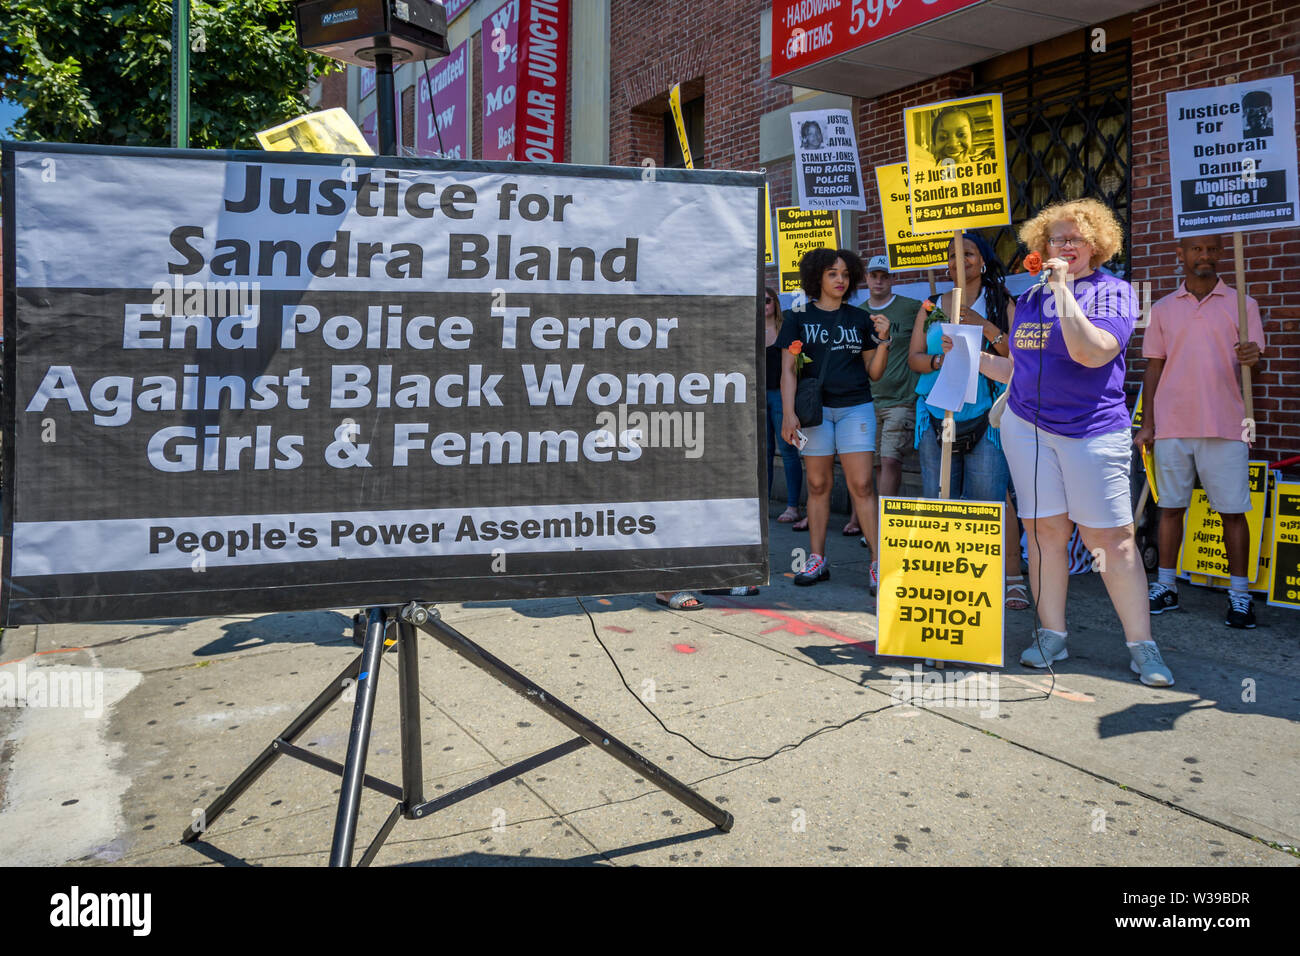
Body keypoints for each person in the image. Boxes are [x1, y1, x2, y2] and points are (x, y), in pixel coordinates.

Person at [978, 198, 1175, 686]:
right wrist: (969, 356)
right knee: (1044, 533)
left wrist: (1064, 292)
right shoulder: (1027, 300)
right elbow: (1019, 371)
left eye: (1074, 239)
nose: (1063, 246)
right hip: (1028, 429)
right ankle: (1051, 633)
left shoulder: (1114, 293)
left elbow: (1091, 354)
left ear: (1096, 245)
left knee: (1110, 539)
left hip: (1090, 431)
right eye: (1055, 239)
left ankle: (1141, 645)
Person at [1135, 233, 1265, 628]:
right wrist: (1148, 424)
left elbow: (1257, 367)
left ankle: (1240, 595)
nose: (1204, 255)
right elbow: (1153, 368)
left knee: (1232, 513)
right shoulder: (1161, 309)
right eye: (1196, 249)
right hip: (1173, 425)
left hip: (1226, 424)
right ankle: (1167, 586)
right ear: (1181, 254)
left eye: (1211, 249)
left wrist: (1253, 357)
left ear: (1222, 254)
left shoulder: (1244, 306)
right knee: (1171, 508)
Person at [909, 234, 1027, 608]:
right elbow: (914, 358)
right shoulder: (932, 305)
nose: (959, 260)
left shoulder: (1001, 302)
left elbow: (1018, 354)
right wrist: (939, 360)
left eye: (967, 253)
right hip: (936, 414)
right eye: (952, 255)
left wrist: (981, 324)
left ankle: (1009, 578)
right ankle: (946, 578)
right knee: (938, 497)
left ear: (983, 260)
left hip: (985, 419)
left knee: (989, 503)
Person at [778, 248, 889, 589]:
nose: (840, 279)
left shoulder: (859, 318)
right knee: (817, 485)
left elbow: (875, 373)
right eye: (832, 273)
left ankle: (877, 563)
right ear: (817, 277)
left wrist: (884, 339)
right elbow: (788, 371)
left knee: (862, 485)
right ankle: (817, 559)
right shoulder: (797, 317)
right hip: (815, 413)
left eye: (844, 274)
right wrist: (788, 414)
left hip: (855, 407)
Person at [840, 255, 920, 537]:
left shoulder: (911, 309)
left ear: (892, 279)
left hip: (901, 398)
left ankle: (886, 525)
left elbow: (929, 337)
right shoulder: (857, 313)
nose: (878, 280)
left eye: (884, 276)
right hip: (865, 400)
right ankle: (862, 518)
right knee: (870, 463)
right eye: (874, 275)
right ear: (867, 278)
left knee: (890, 460)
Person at [764, 285, 804, 524]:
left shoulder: (785, 328)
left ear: (775, 304)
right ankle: (764, 503)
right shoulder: (751, 331)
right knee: (764, 452)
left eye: (767, 301)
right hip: (759, 395)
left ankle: (792, 506)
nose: (764, 305)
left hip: (781, 395)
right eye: (760, 301)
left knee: (788, 450)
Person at [927, 107, 994, 168]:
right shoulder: (925, 175)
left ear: (972, 138)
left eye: (961, 134)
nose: (953, 144)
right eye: (943, 137)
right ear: (935, 143)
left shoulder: (986, 173)